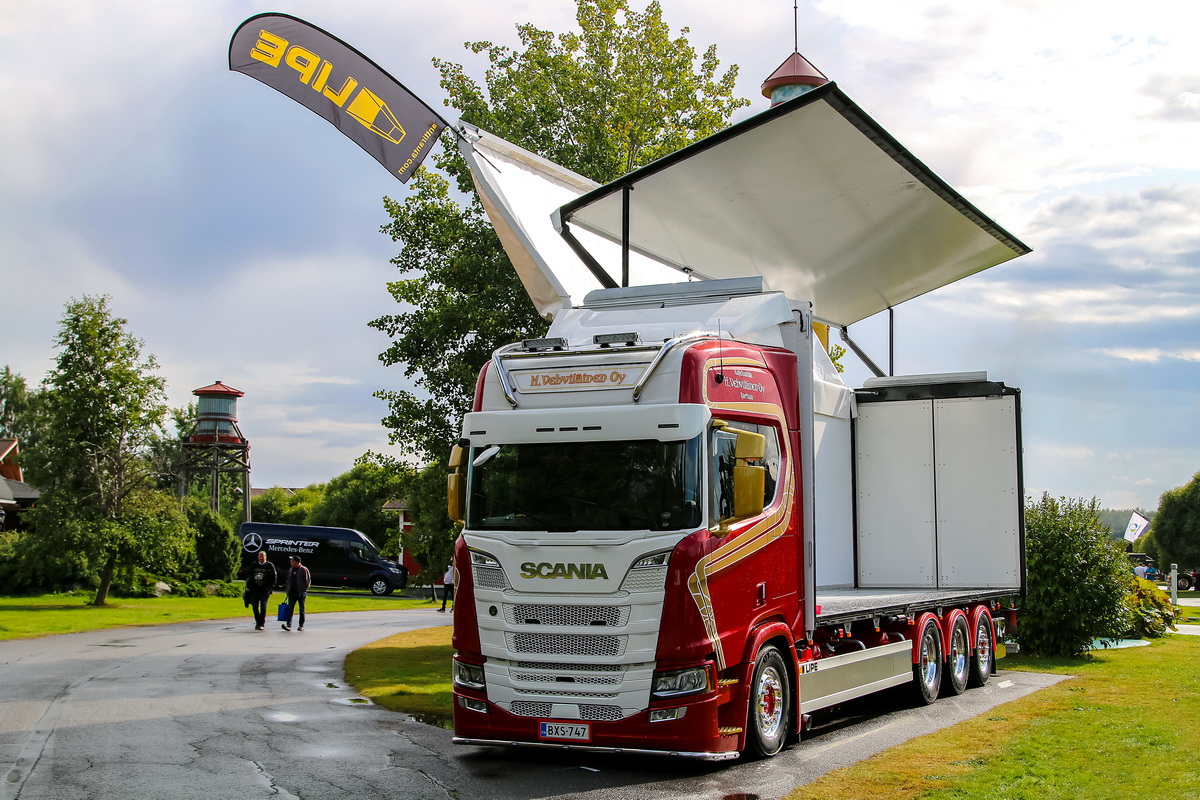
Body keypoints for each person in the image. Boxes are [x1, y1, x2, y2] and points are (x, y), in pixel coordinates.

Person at [245, 550, 277, 631]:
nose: (261, 557)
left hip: (264, 590)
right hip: (254, 590)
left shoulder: (270, 565)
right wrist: (249, 586)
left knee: (263, 606)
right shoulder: (254, 565)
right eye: (259, 555)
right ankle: (258, 621)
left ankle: (261, 623)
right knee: (255, 607)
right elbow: (249, 576)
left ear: (265, 557)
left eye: (262, 556)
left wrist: (269, 588)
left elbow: (274, 578)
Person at [281, 555, 311, 631]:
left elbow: (307, 581)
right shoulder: (291, 570)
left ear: (296, 562)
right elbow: (288, 581)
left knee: (301, 609)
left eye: (292, 561)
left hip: (301, 593)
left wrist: (303, 590)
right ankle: (288, 625)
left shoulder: (303, 570)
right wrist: (287, 590)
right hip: (292, 593)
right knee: (290, 609)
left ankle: (301, 625)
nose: (291, 562)